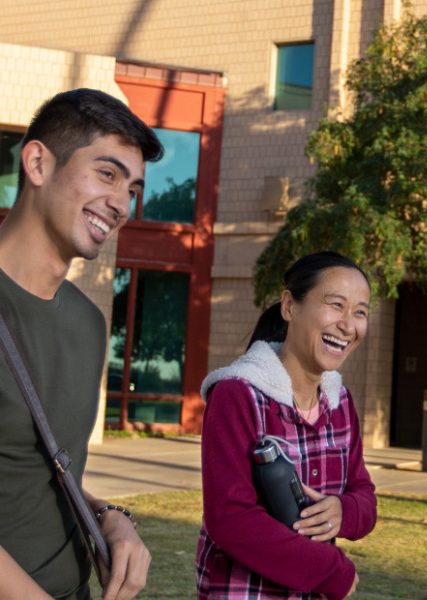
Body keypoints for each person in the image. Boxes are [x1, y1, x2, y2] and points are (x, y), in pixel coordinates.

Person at [0, 88, 163, 599]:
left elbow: (34, 474)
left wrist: (111, 517)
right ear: (38, 163)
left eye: (132, 188)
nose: (121, 204)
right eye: (107, 174)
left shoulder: (88, 323)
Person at [197, 251, 378, 600]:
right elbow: (229, 519)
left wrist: (344, 511)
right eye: (336, 305)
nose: (348, 324)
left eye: (360, 312)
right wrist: (330, 568)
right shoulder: (238, 395)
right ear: (289, 306)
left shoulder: (340, 403)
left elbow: (364, 494)